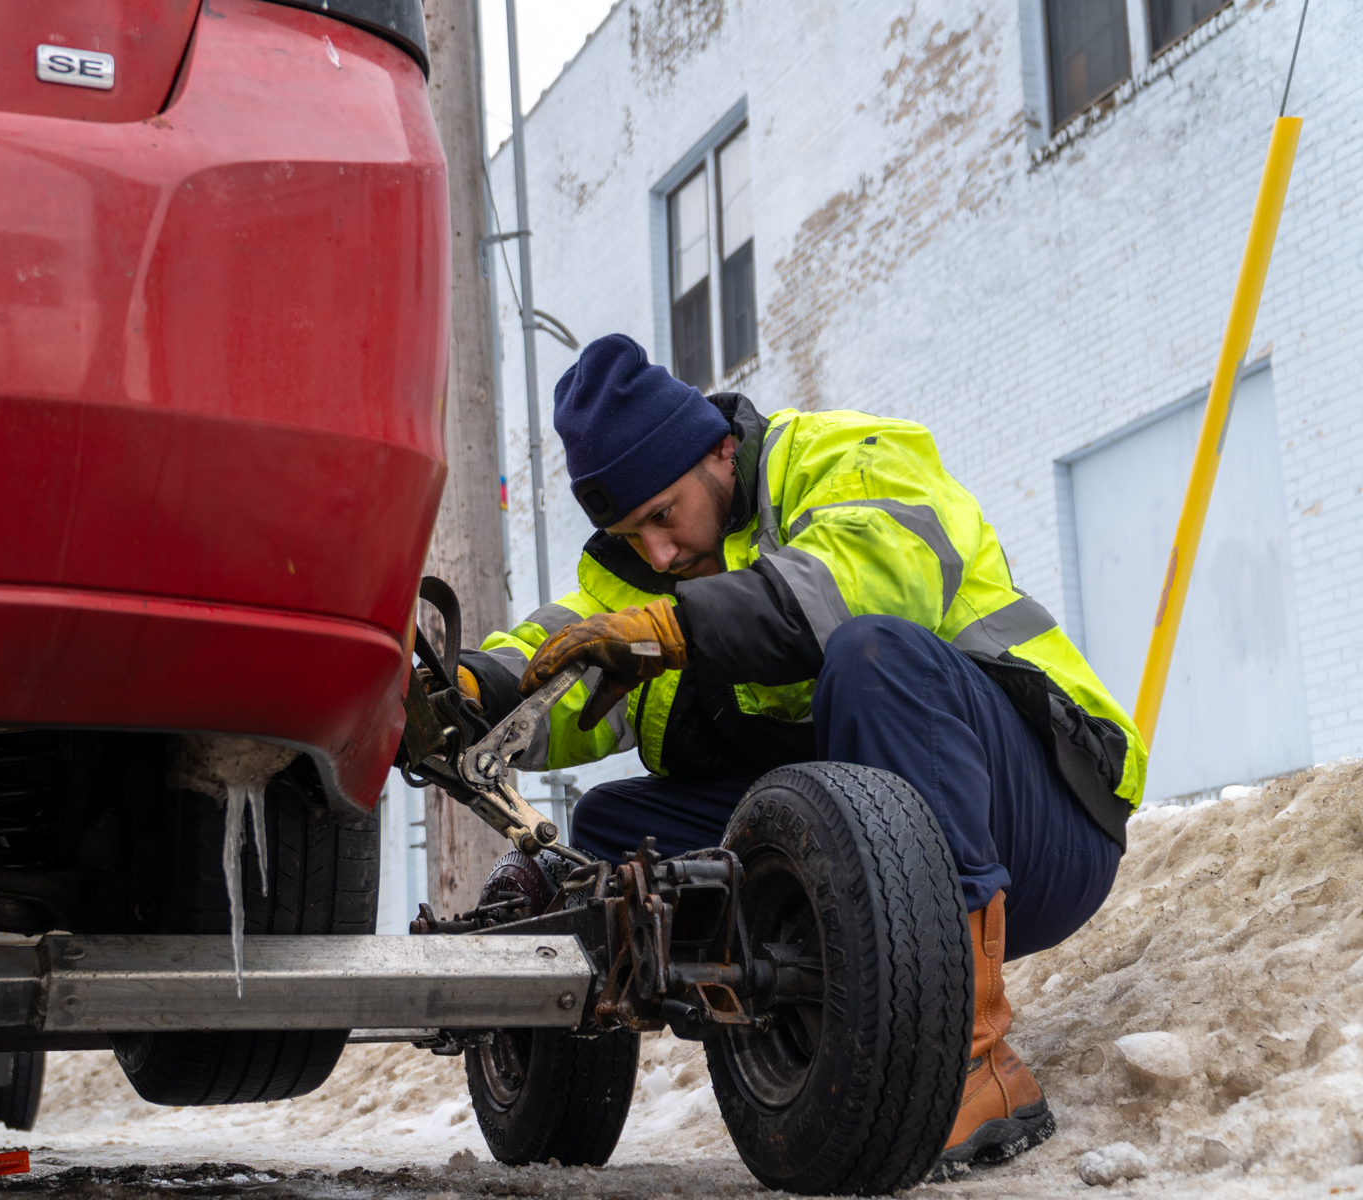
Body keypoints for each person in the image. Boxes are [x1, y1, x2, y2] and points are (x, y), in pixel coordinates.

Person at [453, 333, 1145, 1172]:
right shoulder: (647, 576)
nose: (660, 556)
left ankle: (971, 1065)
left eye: (665, 516)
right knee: (614, 837)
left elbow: (868, 579)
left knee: (872, 660)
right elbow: (563, 653)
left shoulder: (844, 455)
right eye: (635, 536)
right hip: (883, 870)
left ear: (719, 449)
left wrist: (685, 626)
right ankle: (810, 1047)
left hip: (1046, 818)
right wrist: (479, 687)